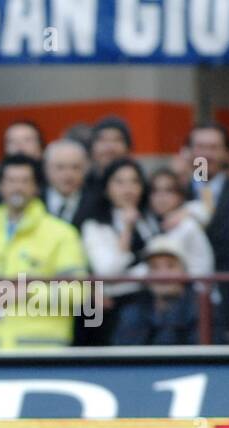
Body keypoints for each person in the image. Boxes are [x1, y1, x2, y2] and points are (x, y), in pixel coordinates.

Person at [0, 154, 88, 349]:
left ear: (36, 187)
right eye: (11, 181)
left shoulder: (61, 233)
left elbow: (78, 292)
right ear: (0, 187)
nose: (18, 187)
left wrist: (26, 291)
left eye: (25, 181)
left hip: (47, 351)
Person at [186, 123, 229, 343]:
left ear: (226, 153)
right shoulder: (169, 192)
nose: (206, 154)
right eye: (200, 146)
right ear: (189, 151)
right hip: (184, 308)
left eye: (213, 147)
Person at [79, 157, 150, 345]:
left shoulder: (150, 220)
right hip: (111, 309)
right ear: (106, 188)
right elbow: (108, 271)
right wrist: (127, 229)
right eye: (119, 182)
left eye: (134, 181)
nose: (128, 189)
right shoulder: (94, 226)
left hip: (148, 302)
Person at [113, 236, 197, 346]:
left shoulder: (202, 311)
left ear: (185, 272)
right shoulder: (131, 313)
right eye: (154, 267)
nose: (162, 275)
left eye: (170, 266)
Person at [43, 139, 91, 228]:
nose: (68, 174)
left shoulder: (96, 204)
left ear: (86, 169)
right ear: (47, 169)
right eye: (60, 167)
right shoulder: (35, 200)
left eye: (75, 167)